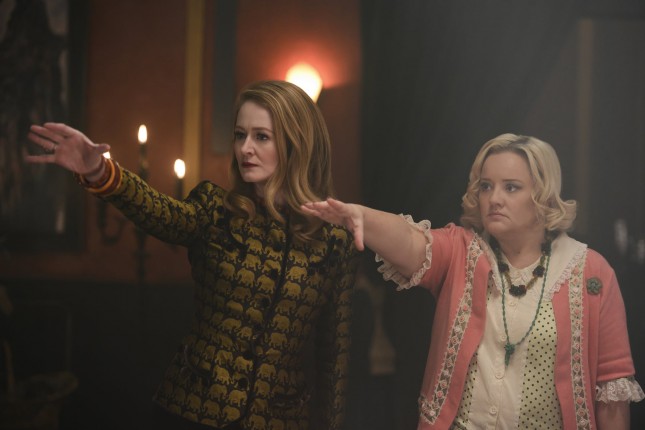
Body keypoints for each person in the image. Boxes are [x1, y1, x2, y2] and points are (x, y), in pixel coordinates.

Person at [25, 80, 359, 430]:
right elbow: (160, 212)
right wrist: (100, 171)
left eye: (261, 137)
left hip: (281, 420)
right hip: (193, 411)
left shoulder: (335, 241)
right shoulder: (215, 209)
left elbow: (334, 356)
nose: (245, 148)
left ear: (296, 143)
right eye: (239, 135)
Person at [302, 133, 644, 430]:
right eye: (486, 186)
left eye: (511, 187)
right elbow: (409, 241)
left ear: (543, 195)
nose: (494, 198)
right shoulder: (462, 251)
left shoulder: (590, 271)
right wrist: (361, 215)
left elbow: (612, 393)